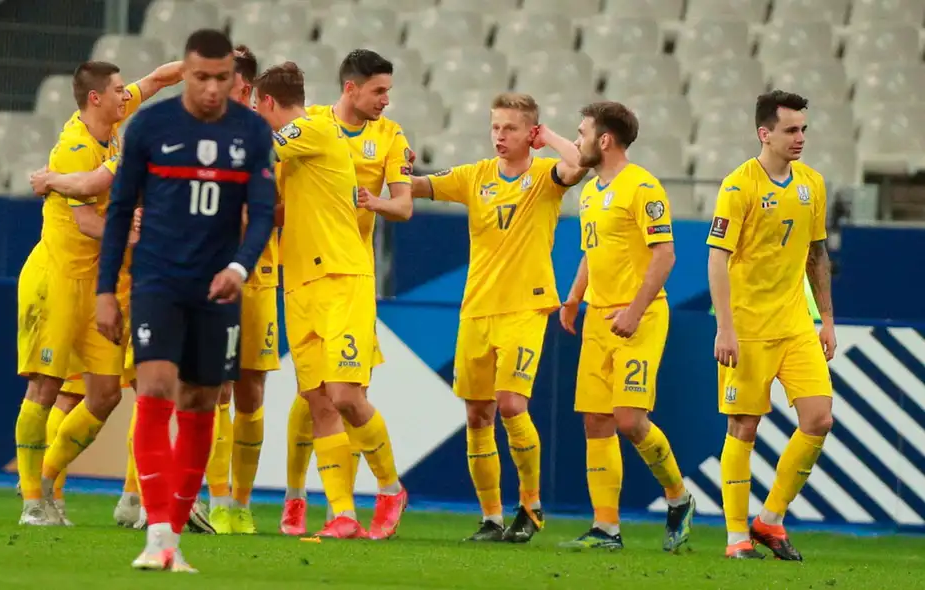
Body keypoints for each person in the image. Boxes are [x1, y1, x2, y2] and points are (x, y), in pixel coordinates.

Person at [97, 28, 277, 571]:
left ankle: (172, 538)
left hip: (218, 286)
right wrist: (106, 291)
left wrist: (239, 267)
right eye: (201, 77)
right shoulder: (151, 125)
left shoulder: (251, 131)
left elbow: (263, 213)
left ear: (234, 79)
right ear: (185, 73)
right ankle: (156, 534)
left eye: (222, 79)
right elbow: (119, 210)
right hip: (157, 280)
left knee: (201, 403)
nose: (212, 89)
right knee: (154, 389)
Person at [409, 93, 587, 543]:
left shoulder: (546, 176)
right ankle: (491, 518)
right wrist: (394, 169)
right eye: (495, 127)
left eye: (510, 128)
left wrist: (549, 137)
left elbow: (580, 163)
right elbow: (418, 186)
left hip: (525, 308)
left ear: (530, 132)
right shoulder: (476, 176)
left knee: (511, 404)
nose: (500, 136)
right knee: (477, 415)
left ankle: (531, 506)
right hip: (477, 309)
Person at [15, 58, 180, 526]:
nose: (126, 94)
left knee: (105, 395)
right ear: (95, 98)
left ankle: (46, 477)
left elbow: (157, 79)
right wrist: (134, 234)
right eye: (118, 90)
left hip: (97, 285)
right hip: (58, 279)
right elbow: (86, 221)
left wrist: (197, 69)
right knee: (45, 386)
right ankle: (33, 503)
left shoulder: (115, 123)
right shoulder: (73, 147)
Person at [253, 60, 407, 540]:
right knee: (318, 401)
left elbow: (255, 148)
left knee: (346, 395)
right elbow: (278, 203)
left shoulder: (313, 128)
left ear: (266, 103)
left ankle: (390, 488)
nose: (385, 100)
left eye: (256, 107)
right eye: (378, 90)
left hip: (343, 277)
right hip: (299, 282)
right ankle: (342, 513)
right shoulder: (312, 134)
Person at [545, 101, 695, 551]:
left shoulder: (643, 187)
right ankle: (606, 528)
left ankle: (679, 497)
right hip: (598, 315)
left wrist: (633, 310)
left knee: (629, 419)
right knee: (596, 419)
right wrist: (574, 298)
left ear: (605, 140)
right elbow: (593, 251)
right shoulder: (591, 191)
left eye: (582, 133)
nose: (577, 141)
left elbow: (665, 255)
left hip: (641, 317)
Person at [707, 90, 835, 561]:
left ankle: (770, 520)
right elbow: (717, 259)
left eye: (803, 129)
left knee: (819, 419)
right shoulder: (738, 186)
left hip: (797, 324)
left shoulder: (812, 183)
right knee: (744, 426)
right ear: (765, 133)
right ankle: (735, 537)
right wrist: (725, 328)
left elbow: (817, 254)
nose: (800, 138)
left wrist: (827, 320)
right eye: (790, 130)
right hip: (747, 327)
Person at [203, 43, 283, 535]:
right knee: (216, 388)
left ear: (245, 87)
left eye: (223, 79)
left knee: (251, 390)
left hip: (259, 277)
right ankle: (216, 501)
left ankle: (242, 502)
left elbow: (279, 208)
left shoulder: (265, 139)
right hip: (212, 276)